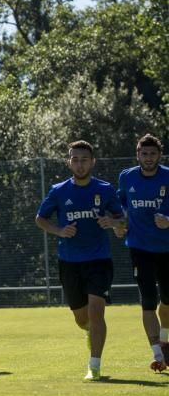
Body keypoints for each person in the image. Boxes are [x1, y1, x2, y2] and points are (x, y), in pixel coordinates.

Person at [36, 140, 124, 381]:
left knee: (97, 312)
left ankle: (94, 366)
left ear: (92, 162)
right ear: (68, 162)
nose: (80, 164)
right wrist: (59, 231)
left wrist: (114, 223)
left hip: (99, 260)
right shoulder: (58, 190)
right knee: (81, 318)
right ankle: (89, 332)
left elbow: (122, 219)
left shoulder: (105, 189)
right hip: (69, 262)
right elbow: (40, 219)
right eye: (75, 159)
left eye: (84, 159)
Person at [114, 134, 169, 372]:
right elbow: (121, 205)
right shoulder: (127, 177)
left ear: (160, 155)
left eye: (152, 154)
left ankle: (165, 343)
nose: (148, 158)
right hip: (139, 248)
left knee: (167, 303)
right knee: (148, 302)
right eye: (144, 154)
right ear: (137, 155)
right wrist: (120, 223)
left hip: (167, 249)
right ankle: (158, 355)